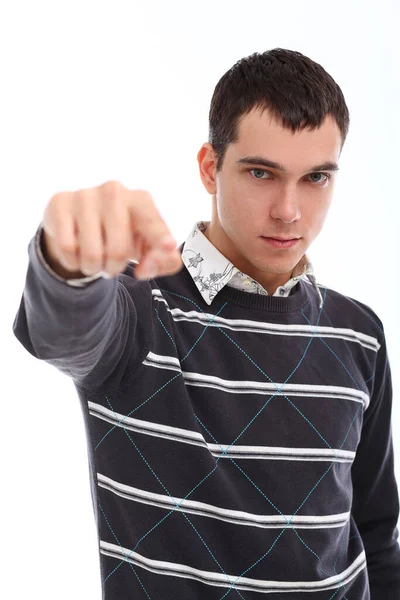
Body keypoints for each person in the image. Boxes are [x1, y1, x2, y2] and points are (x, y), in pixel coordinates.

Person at [12, 47, 400, 599]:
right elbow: (63, 330)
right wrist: (65, 259)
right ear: (210, 168)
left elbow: (378, 534)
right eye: (261, 172)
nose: (289, 210)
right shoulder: (141, 311)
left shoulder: (360, 333)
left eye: (316, 177)